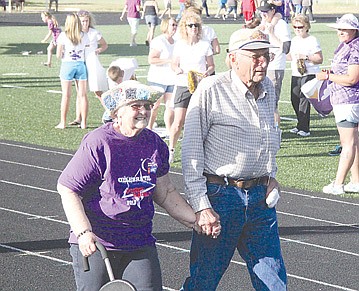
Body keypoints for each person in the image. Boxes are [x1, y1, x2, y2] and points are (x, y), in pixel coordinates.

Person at [57, 80, 198, 291]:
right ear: (117, 113)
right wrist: (83, 232)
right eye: (136, 106)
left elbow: (166, 192)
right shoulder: (99, 142)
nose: (144, 111)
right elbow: (68, 188)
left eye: (148, 106)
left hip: (139, 241)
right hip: (98, 243)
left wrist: (196, 221)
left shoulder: (154, 143)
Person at [181, 28, 287, 290]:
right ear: (232, 59)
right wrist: (201, 206)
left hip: (260, 200)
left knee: (274, 281)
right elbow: (191, 150)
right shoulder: (210, 89)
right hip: (221, 197)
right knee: (203, 280)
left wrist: (271, 176)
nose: (262, 62)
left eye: (266, 56)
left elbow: (268, 137)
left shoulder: (269, 89)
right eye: (255, 56)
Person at [317, 14, 359, 195]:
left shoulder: (354, 49)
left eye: (345, 29)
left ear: (354, 30)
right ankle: (355, 181)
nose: (340, 32)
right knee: (355, 143)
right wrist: (333, 72)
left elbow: (352, 78)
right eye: (339, 29)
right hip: (347, 99)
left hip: (348, 100)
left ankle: (338, 184)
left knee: (347, 143)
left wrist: (328, 76)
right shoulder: (347, 46)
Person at [169, 11, 215, 163]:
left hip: (200, 86)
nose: (194, 28)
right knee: (178, 121)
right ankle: (171, 149)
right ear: (185, 28)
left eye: (196, 25)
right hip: (183, 85)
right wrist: (177, 70)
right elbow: (174, 64)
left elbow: (211, 66)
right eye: (190, 25)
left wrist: (205, 74)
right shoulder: (180, 45)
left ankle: (200, 152)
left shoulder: (204, 45)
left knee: (201, 121)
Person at [69, 10, 109, 127]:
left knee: (97, 91)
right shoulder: (77, 34)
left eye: (86, 21)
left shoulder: (94, 33)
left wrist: (98, 50)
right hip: (81, 62)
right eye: (82, 21)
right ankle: (78, 117)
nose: (85, 24)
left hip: (92, 62)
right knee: (80, 91)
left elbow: (104, 45)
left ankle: (111, 112)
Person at [287, 14, 323, 137]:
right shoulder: (294, 40)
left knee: (303, 99)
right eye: (295, 27)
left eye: (300, 27)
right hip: (296, 73)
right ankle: (300, 124)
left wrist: (306, 57)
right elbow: (291, 56)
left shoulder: (312, 40)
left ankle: (305, 128)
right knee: (294, 98)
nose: (297, 29)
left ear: (306, 26)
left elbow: (319, 59)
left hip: (309, 72)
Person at [258, 0, 291, 124]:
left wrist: (271, 33)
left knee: (272, 103)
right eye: (261, 12)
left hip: (274, 67)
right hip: (262, 67)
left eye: (265, 11)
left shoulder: (281, 24)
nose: (263, 14)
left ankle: (275, 131)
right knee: (262, 101)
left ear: (272, 11)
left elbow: (286, 49)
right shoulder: (264, 22)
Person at [55, 13, 89, 129]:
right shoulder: (84, 35)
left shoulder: (63, 36)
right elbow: (86, 50)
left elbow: (58, 55)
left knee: (66, 95)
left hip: (67, 65)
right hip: (80, 65)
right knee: (83, 95)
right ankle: (84, 122)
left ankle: (63, 122)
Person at [147, 17, 177, 137]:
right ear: (165, 26)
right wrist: (169, 60)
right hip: (157, 79)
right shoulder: (159, 41)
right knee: (155, 106)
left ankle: (170, 130)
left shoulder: (176, 42)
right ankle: (149, 128)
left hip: (172, 78)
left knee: (170, 105)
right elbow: (151, 59)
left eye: (175, 25)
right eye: (172, 25)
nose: (174, 27)